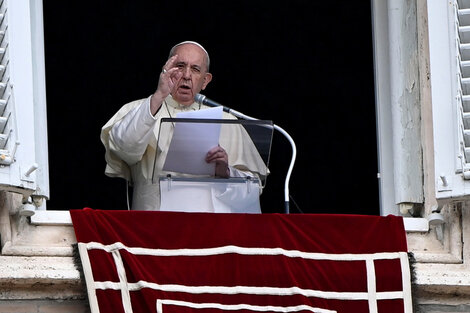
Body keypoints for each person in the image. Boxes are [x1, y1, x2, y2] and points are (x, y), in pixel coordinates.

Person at [101, 41, 268, 211]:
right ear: (166, 70)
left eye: (195, 69)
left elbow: (253, 190)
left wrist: (225, 172)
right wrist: (159, 95)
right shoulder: (139, 110)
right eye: (180, 66)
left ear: (205, 80)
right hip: (152, 226)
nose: (187, 75)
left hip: (211, 231)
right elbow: (124, 149)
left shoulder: (228, 121)